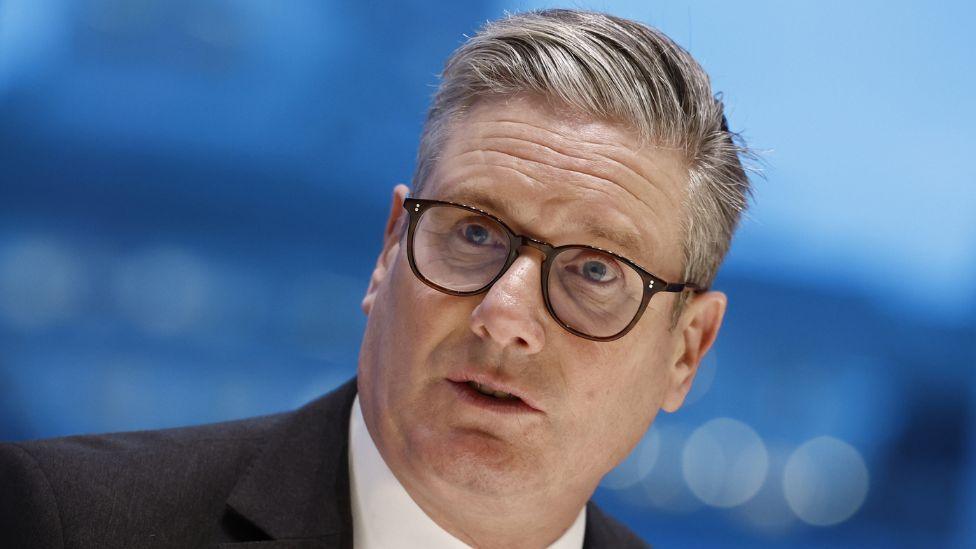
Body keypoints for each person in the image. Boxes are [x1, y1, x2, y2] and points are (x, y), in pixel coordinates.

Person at [0, 8, 752, 548]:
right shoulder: (62, 520)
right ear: (390, 247)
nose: (505, 312)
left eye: (595, 269)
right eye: (475, 231)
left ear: (687, 350)